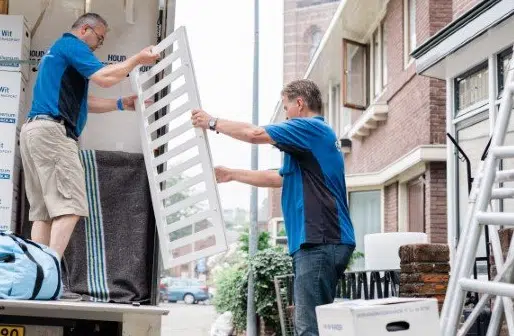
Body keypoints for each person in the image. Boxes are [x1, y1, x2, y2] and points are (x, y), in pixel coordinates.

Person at [191, 79, 356, 335]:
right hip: (325, 242)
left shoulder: (310, 128)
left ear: (299, 104)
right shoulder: (310, 147)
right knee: (318, 326)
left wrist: (212, 122)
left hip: (320, 241)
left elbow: (255, 134)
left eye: (287, 108)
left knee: (308, 329)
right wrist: (232, 174)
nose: (286, 117)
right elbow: (277, 178)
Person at [19, 13, 159, 268]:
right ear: (85, 30)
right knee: (71, 206)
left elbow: (84, 103)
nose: (98, 45)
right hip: (53, 134)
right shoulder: (73, 45)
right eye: (99, 38)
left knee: (43, 214)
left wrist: (121, 104)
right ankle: (49, 274)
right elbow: (104, 78)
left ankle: (36, 276)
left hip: (34, 132)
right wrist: (138, 59)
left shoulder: (59, 52)